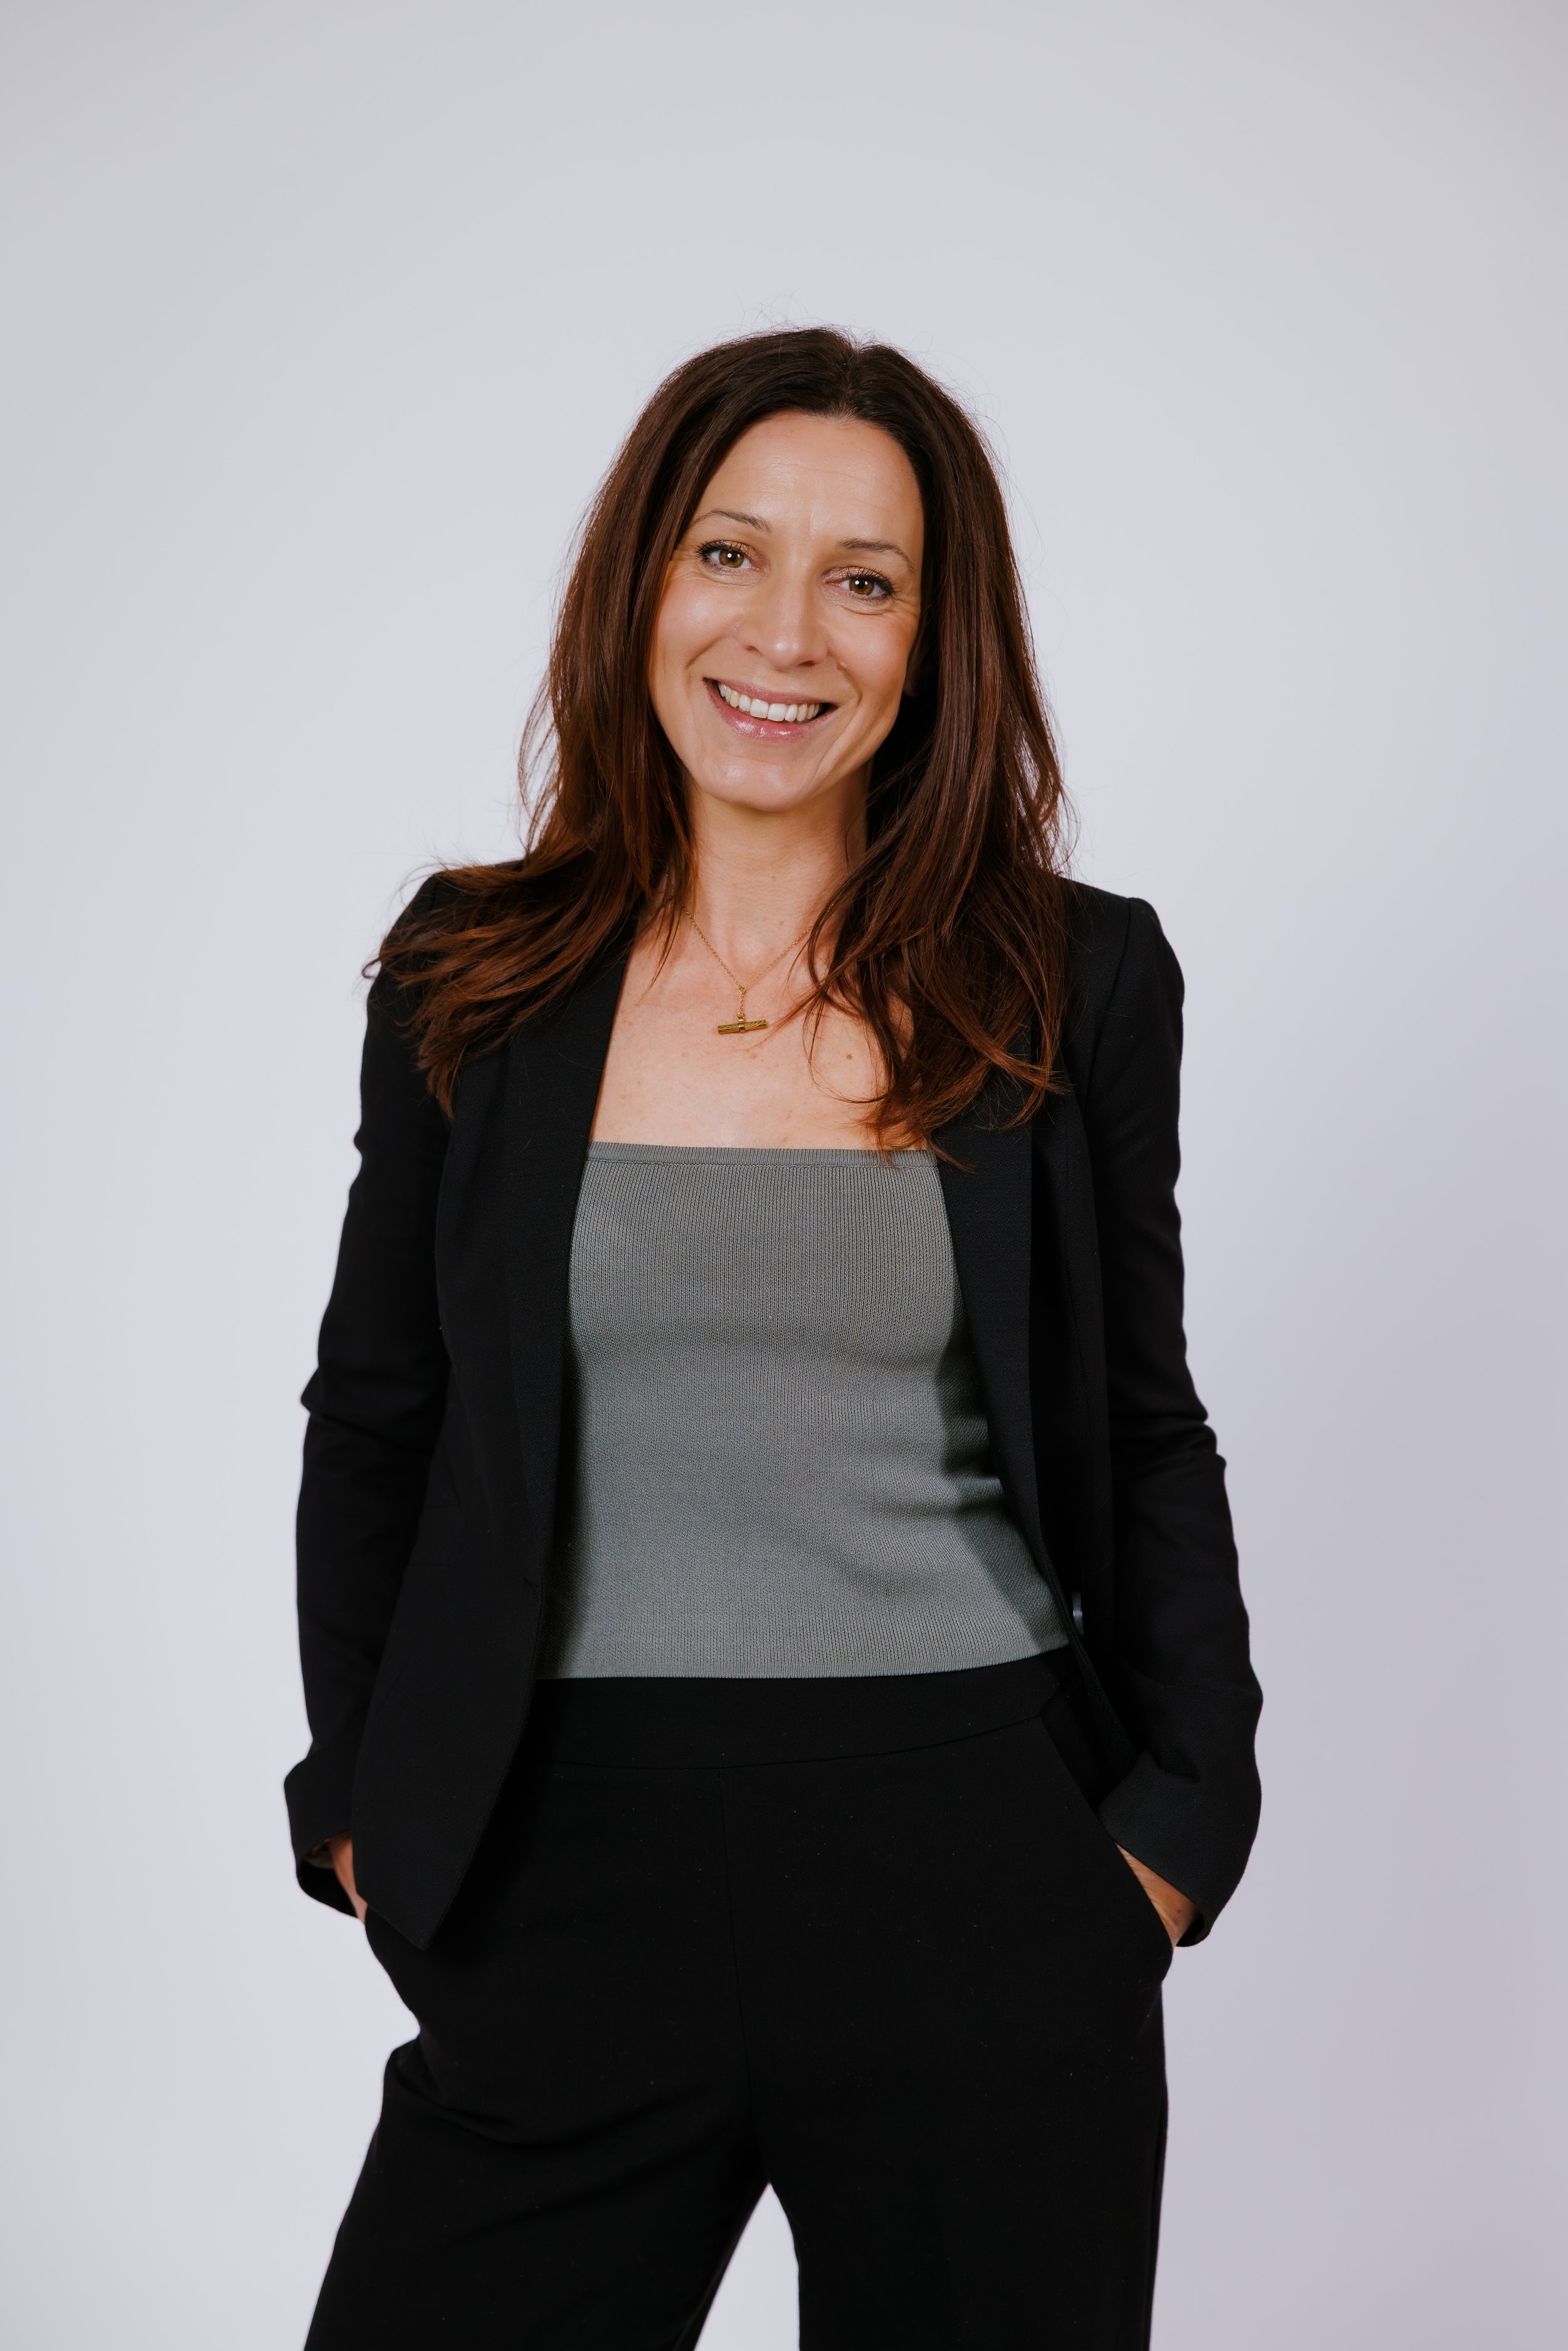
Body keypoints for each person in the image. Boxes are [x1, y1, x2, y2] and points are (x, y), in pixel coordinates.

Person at [285, 326, 1261, 2350]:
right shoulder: (471, 973)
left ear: (932, 635)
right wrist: (362, 1810)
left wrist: (1172, 1832)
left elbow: (1145, 1424)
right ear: (644, 580)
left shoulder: (1074, 979)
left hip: (978, 1865)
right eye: (729, 552)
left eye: (865, 577)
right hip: (556, 1868)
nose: (786, 633)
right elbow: (379, 1413)